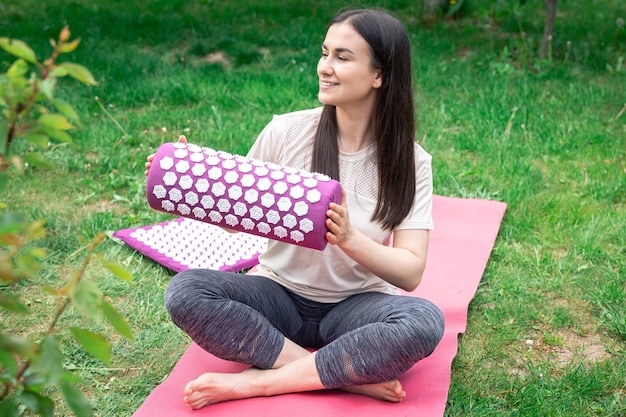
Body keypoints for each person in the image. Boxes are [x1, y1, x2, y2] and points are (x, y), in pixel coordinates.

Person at [146, 8, 444, 410]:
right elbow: (237, 223)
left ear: (380, 75)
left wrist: (350, 239)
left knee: (424, 322)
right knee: (187, 291)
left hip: (355, 307)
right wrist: (190, 183)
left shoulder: (410, 162)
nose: (325, 67)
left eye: (342, 57)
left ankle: (260, 383)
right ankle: (336, 376)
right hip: (277, 295)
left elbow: (410, 272)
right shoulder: (287, 132)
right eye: (325, 53)